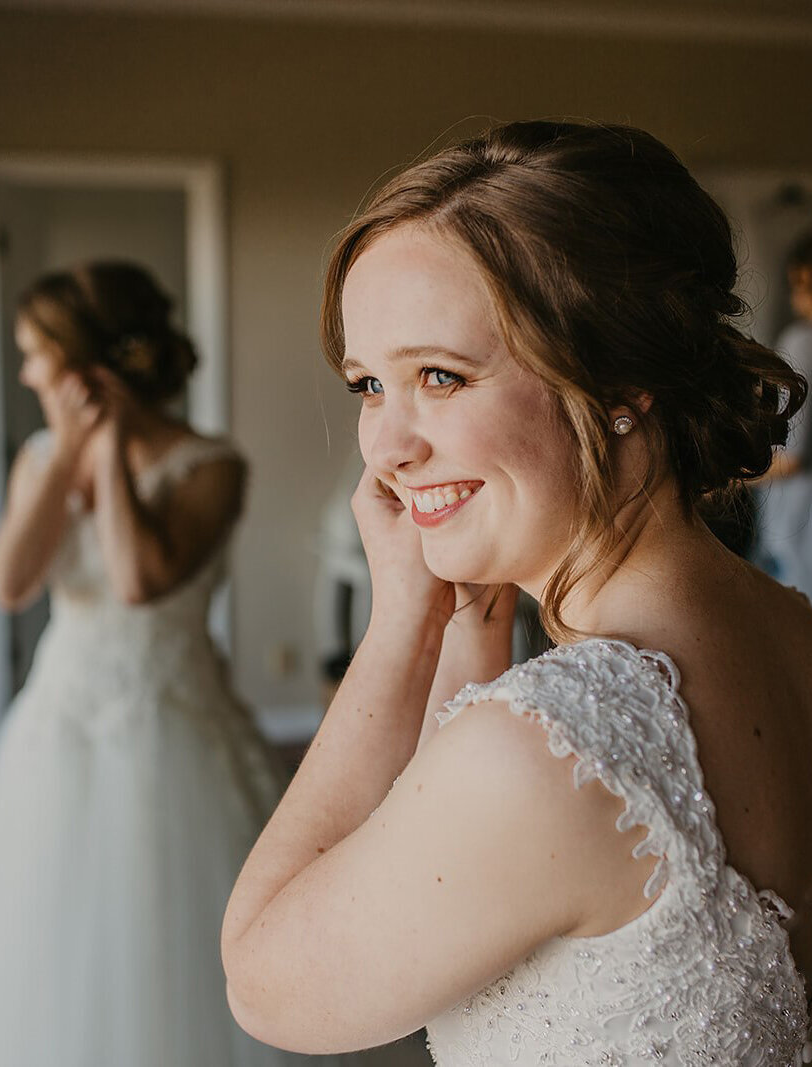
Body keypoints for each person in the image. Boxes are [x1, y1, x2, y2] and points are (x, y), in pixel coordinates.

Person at [221, 122, 812, 1065]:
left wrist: (397, 628)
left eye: (440, 377)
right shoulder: (789, 629)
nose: (385, 447)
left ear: (618, 376)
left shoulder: (551, 748)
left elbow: (263, 981)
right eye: (370, 383)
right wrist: (457, 616)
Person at [0, 262, 290, 1067]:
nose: (23, 372)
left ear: (85, 363)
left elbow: (137, 580)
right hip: (60, 723)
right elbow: (10, 582)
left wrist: (108, 446)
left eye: (34, 352)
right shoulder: (40, 455)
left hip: (171, 725)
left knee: (165, 924)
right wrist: (68, 451)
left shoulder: (213, 466)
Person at [753, 230, 812, 598]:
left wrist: (717, 479)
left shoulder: (803, 340)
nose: (797, 300)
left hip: (799, 519)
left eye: (804, 285)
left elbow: (790, 458)